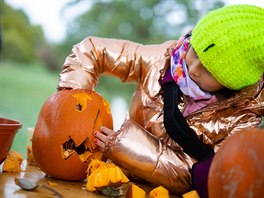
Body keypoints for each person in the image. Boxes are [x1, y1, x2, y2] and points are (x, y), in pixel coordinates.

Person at [57, 4, 264, 197]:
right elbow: (92, 50)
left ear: (232, 83)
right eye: (195, 52)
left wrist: (125, 146)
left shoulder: (243, 118)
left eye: (209, 71)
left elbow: (197, 175)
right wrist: (72, 103)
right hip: (113, 180)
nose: (192, 69)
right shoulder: (161, 60)